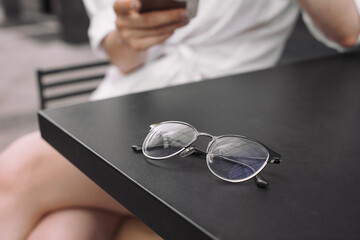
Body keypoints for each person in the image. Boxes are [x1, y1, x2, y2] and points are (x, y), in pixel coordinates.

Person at [0, 0, 359, 239]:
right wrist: (129, 35)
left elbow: (348, 29)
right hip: (128, 107)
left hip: (237, 113)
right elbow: (121, 58)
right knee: (61, 226)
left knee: (24, 175)